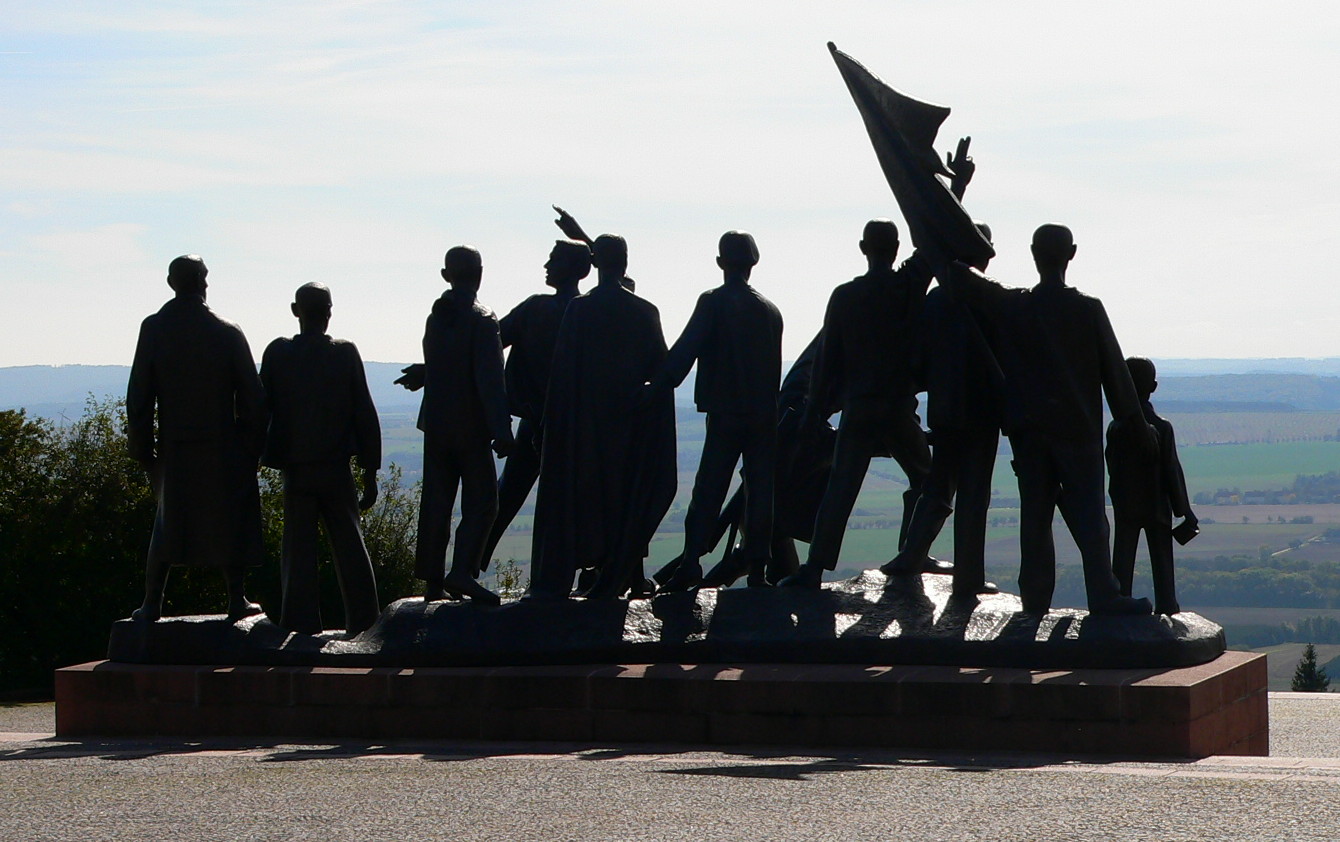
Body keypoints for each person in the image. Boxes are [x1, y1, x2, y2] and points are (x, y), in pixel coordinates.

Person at [937, 224, 1155, 615]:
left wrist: (939, 225)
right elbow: (1116, 376)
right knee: (1090, 520)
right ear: (1072, 253)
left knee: (1034, 519)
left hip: (1030, 432)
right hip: (1077, 432)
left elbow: (958, 275)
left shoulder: (1015, 304)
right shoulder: (1087, 309)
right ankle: (1103, 595)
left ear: (1033, 253)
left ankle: (1035, 600)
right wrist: (1138, 426)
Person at [780, 220, 933, 589]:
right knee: (927, 480)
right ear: (896, 249)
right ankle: (911, 553)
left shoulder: (845, 296)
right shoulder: (907, 285)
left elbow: (826, 359)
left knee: (841, 487)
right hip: (897, 406)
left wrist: (814, 411)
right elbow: (932, 237)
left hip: (860, 406)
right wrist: (956, 187)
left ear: (863, 247)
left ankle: (815, 567)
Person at [527, 234, 676, 600]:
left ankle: (605, 573)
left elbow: (561, 375)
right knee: (628, 497)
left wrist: (547, 426)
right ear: (625, 263)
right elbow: (662, 369)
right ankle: (626, 573)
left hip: (586, 427)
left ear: (596, 263)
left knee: (589, 499)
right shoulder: (644, 310)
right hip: (629, 424)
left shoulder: (580, 310)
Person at [126, 254, 266, 621]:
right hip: (223, 446)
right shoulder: (227, 331)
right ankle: (236, 598)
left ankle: (152, 602)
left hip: (174, 447)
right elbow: (252, 397)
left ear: (171, 283)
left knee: (167, 522)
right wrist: (251, 447)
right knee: (228, 520)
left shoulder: (155, 328)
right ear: (204, 281)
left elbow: (139, 393)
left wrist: (142, 448)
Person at [653, 231, 783, 592]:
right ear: (753, 263)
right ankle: (758, 570)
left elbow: (685, 350)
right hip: (763, 416)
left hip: (727, 413)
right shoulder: (771, 311)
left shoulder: (713, 301)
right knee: (760, 493)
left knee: (708, 489)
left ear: (721, 262)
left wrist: (659, 384)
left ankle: (691, 561)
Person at [260, 282, 382, 636]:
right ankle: (364, 623)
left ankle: (299, 625)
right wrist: (370, 470)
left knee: (297, 551)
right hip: (334, 468)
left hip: (297, 470)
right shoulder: (343, 353)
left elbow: (258, 410)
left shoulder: (278, 353)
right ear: (329, 312)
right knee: (350, 547)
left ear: (295, 311)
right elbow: (364, 411)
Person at [396, 246, 513, 605]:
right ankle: (461, 572)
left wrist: (425, 374)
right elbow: (489, 378)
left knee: (436, 501)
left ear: (446, 276)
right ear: (480, 273)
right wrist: (501, 430)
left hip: (437, 423)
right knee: (483, 503)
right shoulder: (483, 318)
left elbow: (446, 367)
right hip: (471, 425)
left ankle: (432, 580)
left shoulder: (438, 316)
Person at [478, 239, 591, 572]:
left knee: (506, 498)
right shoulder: (589, 312)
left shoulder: (536, 309)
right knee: (578, 503)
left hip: (536, 423)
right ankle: (591, 571)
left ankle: (471, 565)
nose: (546, 265)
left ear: (571, 268)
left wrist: (434, 369)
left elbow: (485, 345)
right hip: (571, 427)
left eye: (553, 259)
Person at [1106, 357, 1196, 616]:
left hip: (1126, 506)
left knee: (1122, 557)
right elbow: (1172, 470)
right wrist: (1184, 510)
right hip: (1157, 506)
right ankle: (1167, 605)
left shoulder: (1115, 427)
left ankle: (1119, 602)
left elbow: (1112, 466)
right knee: (1162, 559)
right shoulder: (1163, 427)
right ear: (1153, 386)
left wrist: (1119, 498)